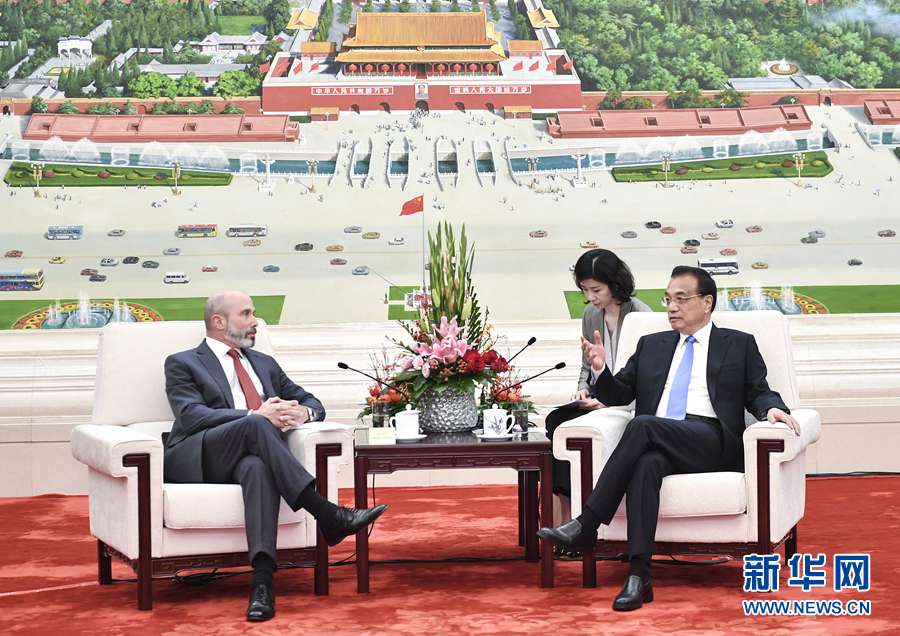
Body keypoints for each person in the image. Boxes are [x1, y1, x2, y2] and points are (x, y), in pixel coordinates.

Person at [537, 266, 799, 611]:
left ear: (707, 302)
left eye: (681, 299)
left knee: (643, 425)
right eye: (667, 299)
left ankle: (587, 523)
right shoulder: (652, 345)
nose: (672, 307)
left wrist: (773, 409)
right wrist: (600, 369)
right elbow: (620, 394)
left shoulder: (737, 343)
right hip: (660, 438)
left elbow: (758, 391)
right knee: (646, 465)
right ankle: (639, 576)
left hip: (710, 440)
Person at [164, 290, 386, 622]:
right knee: (257, 424)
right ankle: (326, 512)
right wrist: (254, 415)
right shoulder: (183, 362)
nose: (255, 321)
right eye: (246, 314)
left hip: (250, 456)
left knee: (257, 468)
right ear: (219, 321)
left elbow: (312, 402)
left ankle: (262, 584)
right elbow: (191, 417)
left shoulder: (263, 363)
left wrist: (303, 414)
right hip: (201, 455)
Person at [544, 249, 651, 541]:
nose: (590, 297)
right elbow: (586, 365)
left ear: (615, 284)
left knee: (565, 424)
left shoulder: (641, 315)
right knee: (556, 421)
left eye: (596, 289)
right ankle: (567, 513)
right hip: (597, 399)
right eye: (584, 290)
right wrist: (583, 387)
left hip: (627, 402)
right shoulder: (591, 314)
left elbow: (646, 377)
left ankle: (577, 520)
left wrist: (608, 400)